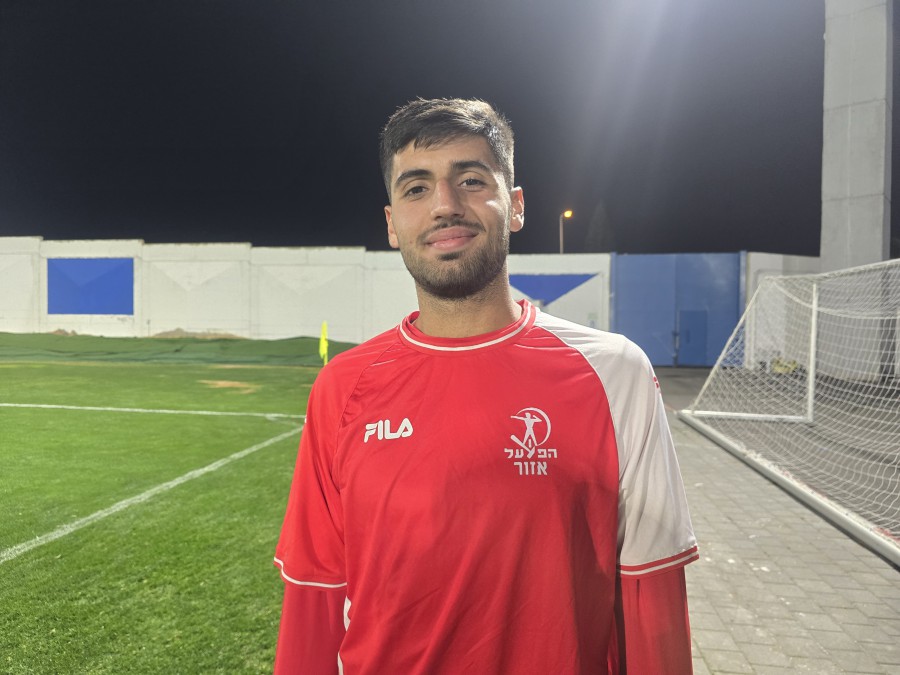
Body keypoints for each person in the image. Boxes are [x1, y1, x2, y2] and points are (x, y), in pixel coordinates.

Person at [273, 98, 698, 674]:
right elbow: (316, 599)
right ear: (392, 224)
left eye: (471, 180)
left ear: (515, 205)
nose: (445, 205)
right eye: (417, 188)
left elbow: (652, 603)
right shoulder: (341, 388)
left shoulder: (615, 374)